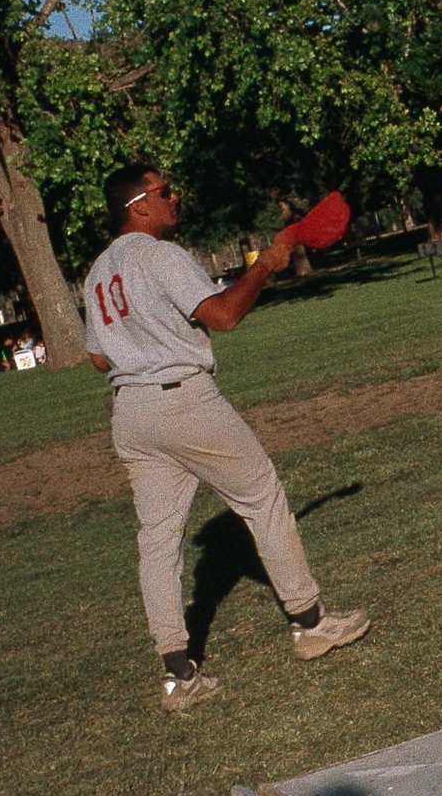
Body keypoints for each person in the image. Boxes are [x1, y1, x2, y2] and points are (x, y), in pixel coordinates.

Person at [83, 160, 372, 710]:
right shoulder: (161, 256)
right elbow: (223, 316)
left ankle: (177, 675)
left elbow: (100, 357)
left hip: (130, 411)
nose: (175, 198)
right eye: (165, 192)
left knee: (158, 540)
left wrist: (143, 345)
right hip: (183, 400)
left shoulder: (98, 272)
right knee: (262, 499)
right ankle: (310, 625)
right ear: (137, 206)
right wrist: (264, 267)